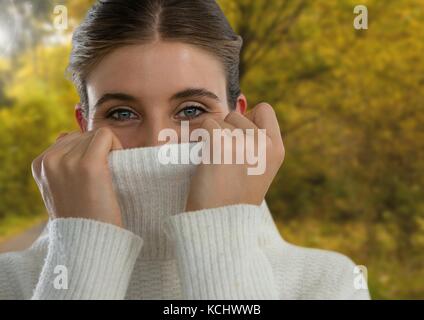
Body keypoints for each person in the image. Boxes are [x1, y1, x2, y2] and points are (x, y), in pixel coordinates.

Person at [0, 0, 370, 300]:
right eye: (122, 113)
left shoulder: (329, 283)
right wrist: (82, 251)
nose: (158, 140)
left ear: (235, 120)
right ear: (84, 127)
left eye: (190, 110)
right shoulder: (11, 283)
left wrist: (221, 237)